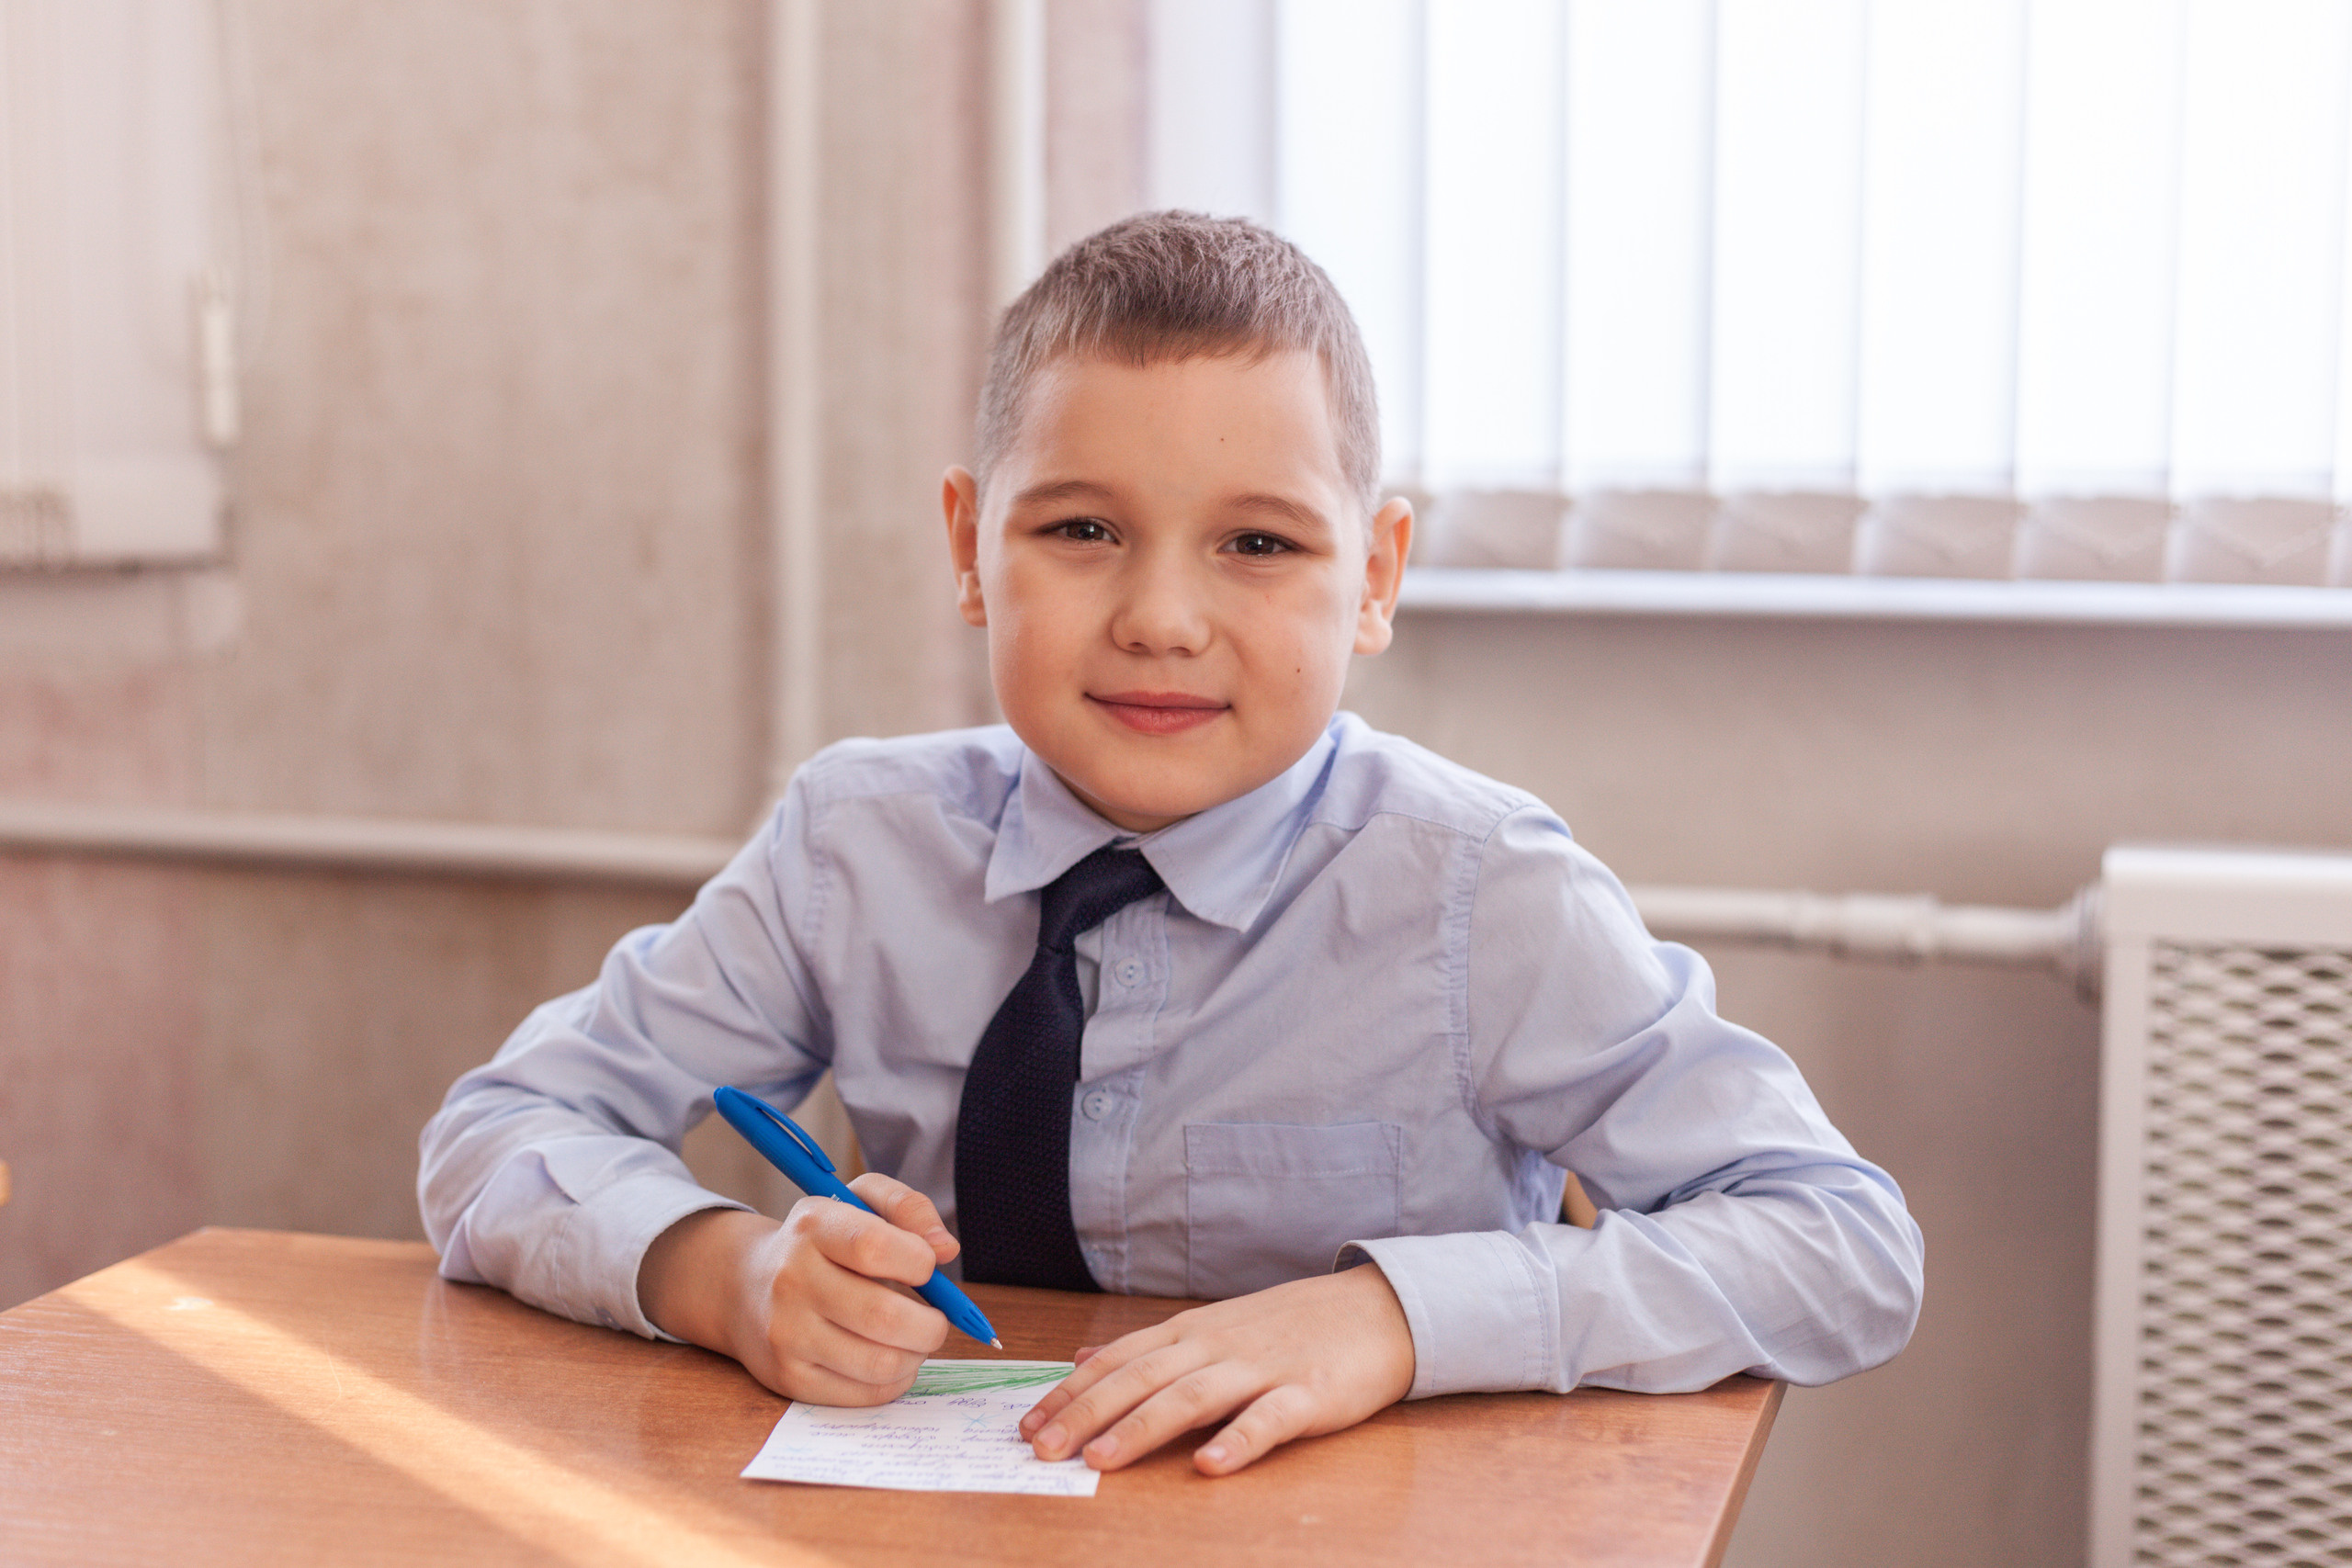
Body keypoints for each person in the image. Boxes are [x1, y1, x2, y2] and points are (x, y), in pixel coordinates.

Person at [419, 210, 1923, 1479]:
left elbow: (1839, 1248)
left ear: (1376, 577)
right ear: (967, 548)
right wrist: (725, 1273)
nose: (1159, 617)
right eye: (1081, 531)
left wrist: (1391, 1320)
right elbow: (499, 1134)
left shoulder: (1481, 896)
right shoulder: (852, 846)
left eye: (1259, 544)